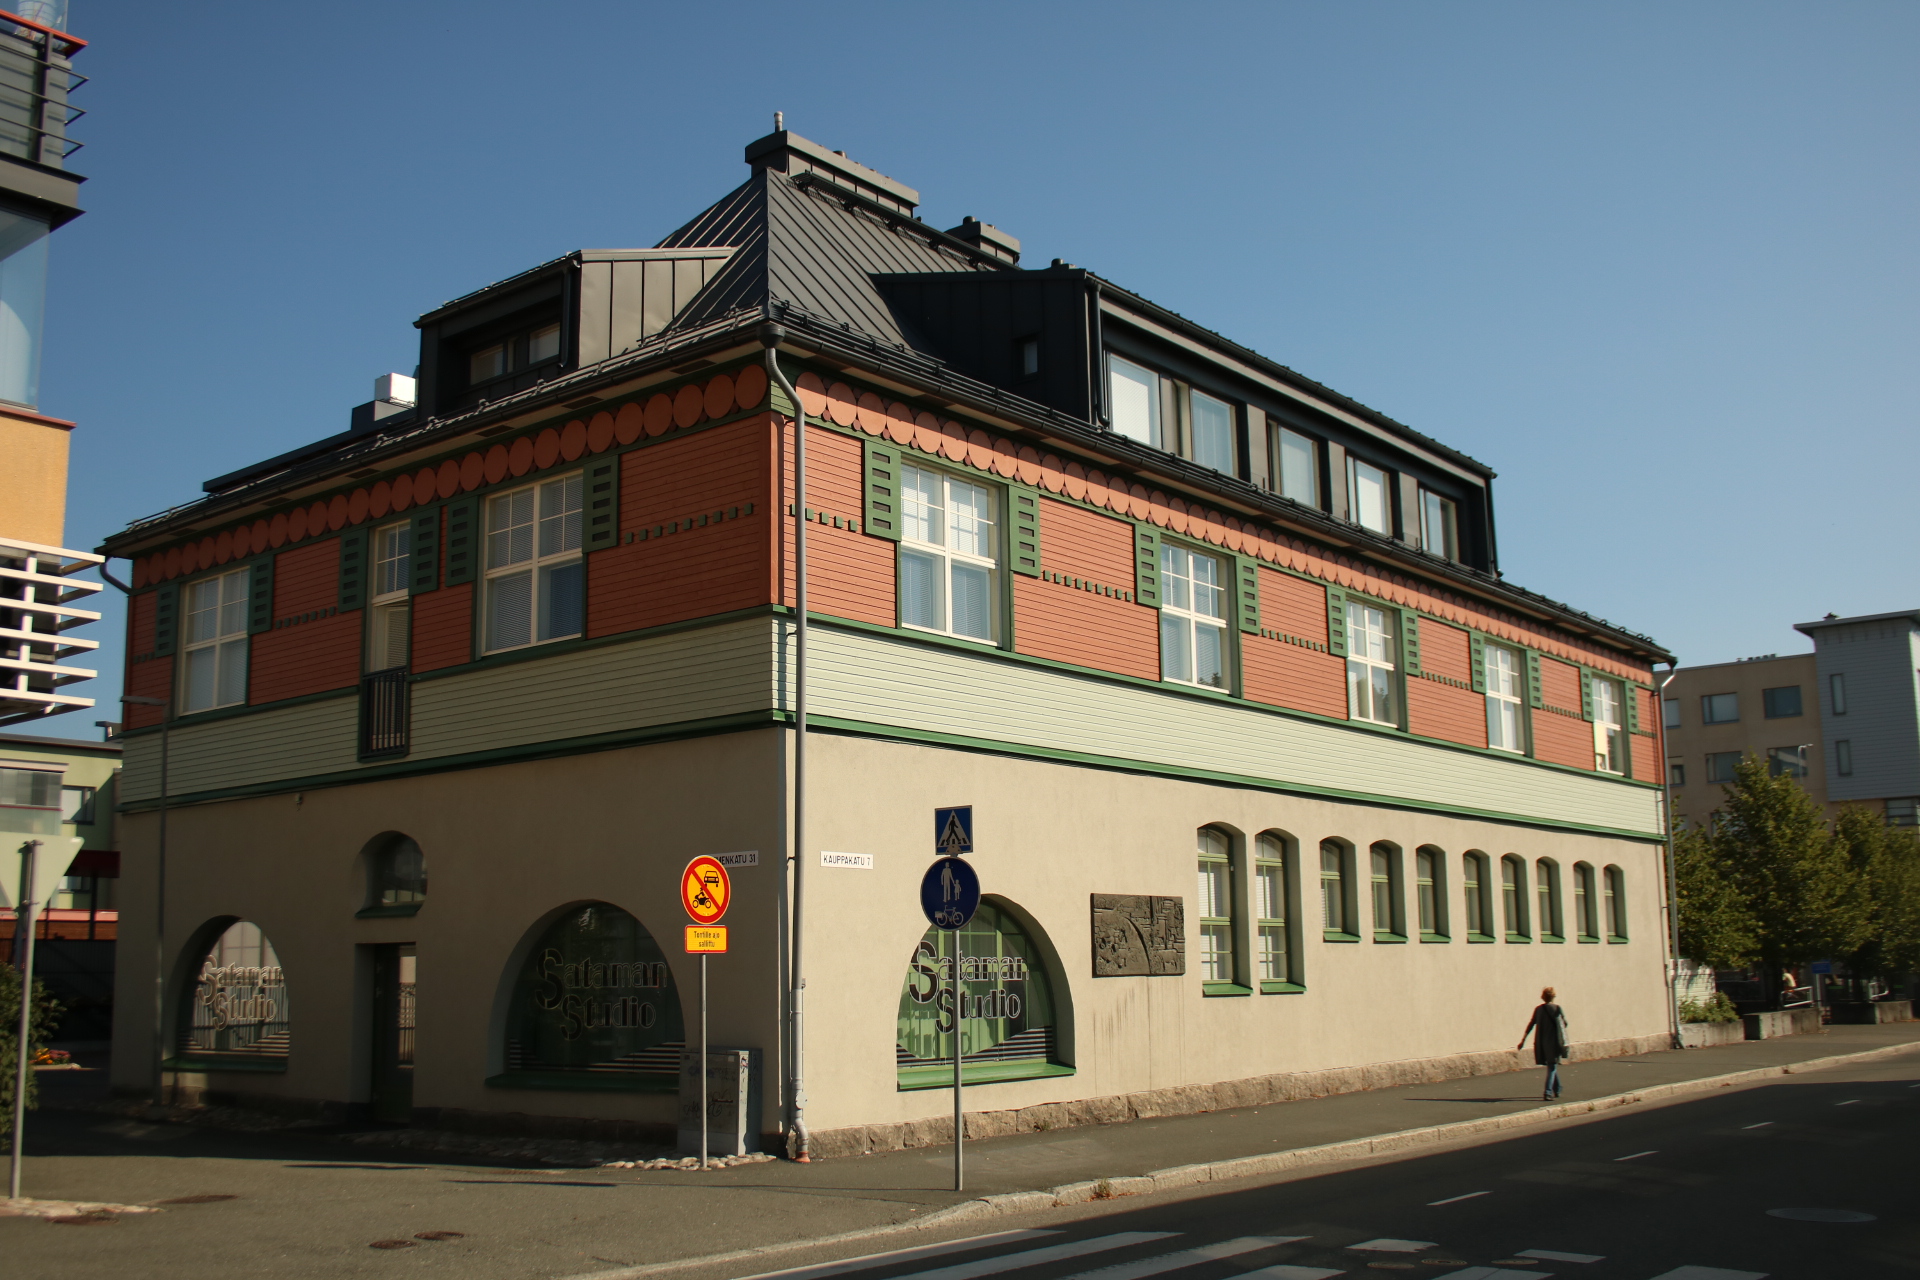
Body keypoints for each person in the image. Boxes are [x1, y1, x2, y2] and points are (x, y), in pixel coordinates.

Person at [1518, 986, 1569, 1100]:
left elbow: (1531, 1024)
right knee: (1552, 1066)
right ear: (1553, 996)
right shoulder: (1557, 1009)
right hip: (1554, 1043)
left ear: (1543, 997)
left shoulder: (1538, 1010)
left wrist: (1523, 1040)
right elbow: (1564, 1024)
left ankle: (1558, 1087)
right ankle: (1548, 1092)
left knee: (1552, 1065)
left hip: (1541, 1043)